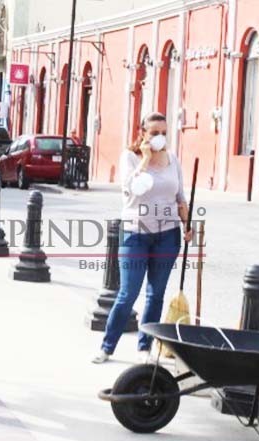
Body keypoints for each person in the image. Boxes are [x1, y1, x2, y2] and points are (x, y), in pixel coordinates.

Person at [92, 112, 192, 364]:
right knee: (128, 293)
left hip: (168, 234)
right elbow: (130, 191)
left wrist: (187, 224)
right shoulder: (130, 157)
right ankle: (107, 346)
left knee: (156, 294)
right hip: (136, 233)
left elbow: (180, 197)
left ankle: (144, 347)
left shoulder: (173, 160)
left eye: (164, 133)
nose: (160, 137)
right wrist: (145, 160)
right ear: (142, 133)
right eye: (154, 132)